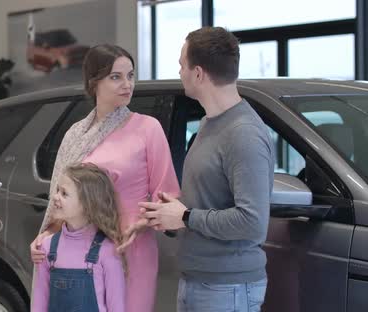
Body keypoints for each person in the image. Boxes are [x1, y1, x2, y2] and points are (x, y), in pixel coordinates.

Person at [30, 44, 180, 311]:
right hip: (81, 253)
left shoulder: (147, 128)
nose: (127, 84)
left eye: (130, 75)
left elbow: (167, 195)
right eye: (116, 76)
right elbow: (59, 199)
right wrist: (44, 238)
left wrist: (141, 223)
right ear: (93, 82)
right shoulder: (76, 135)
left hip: (130, 249)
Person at [139, 27, 274, 312]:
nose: (179, 72)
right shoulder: (208, 123)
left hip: (227, 286)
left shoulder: (244, 134)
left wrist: (186, 217)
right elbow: (207, 201)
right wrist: (172, 213)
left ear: (198, 73)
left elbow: (252, 222)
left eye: (181, 65)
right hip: (197, 279)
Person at [32, 163, 125, 312]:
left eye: (64, 194)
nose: (55, 197)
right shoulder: (47, 247)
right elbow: (39, 303)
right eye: (57, 190)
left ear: (87, 205)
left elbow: (117, 307)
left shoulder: (107, 251)